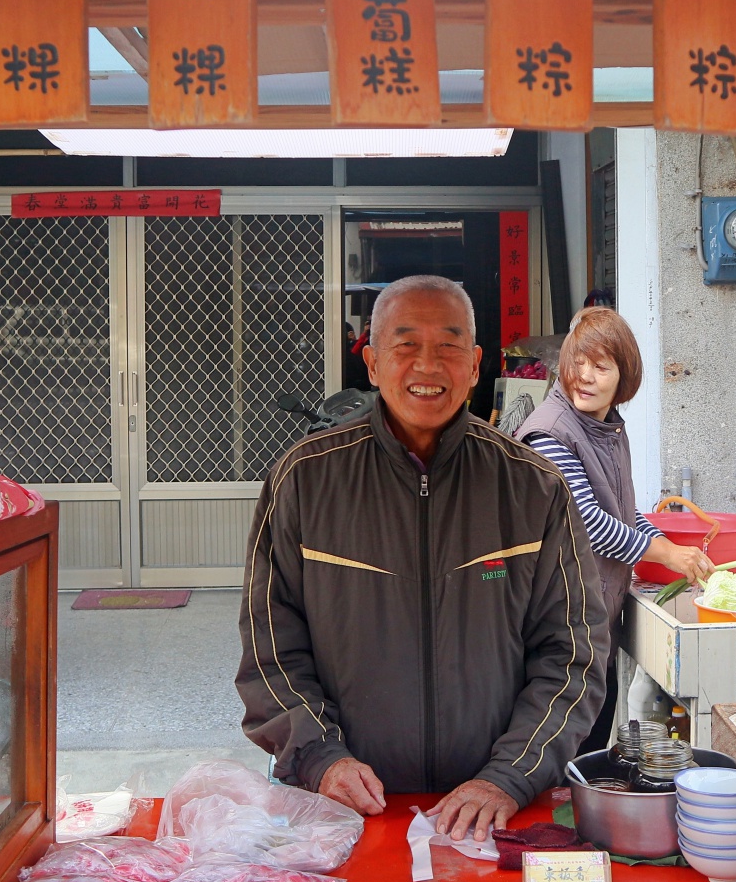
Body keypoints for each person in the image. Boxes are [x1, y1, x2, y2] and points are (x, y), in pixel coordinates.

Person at [237, 275, 608, 842]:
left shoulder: (532, 487)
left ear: (476, 361)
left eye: (449, 346)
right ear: (371, 360)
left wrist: (509, 776)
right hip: (345, 813)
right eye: (406, 344)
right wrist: (319, 756)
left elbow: (574, 654)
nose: (427, 366)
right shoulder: (305, 480)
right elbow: (270, 646)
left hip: (490, 816)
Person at [515, 307, 715, 754]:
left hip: (592, 619)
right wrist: (664, 554)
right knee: (561, 753)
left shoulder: (605, 427)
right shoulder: (551, 433)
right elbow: (589, 524)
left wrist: (666, 544)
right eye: (576, 364)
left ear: (624, 377)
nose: (584, 377)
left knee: (590, 741)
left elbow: (621, 512)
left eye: (600, 367)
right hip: (559, 625)